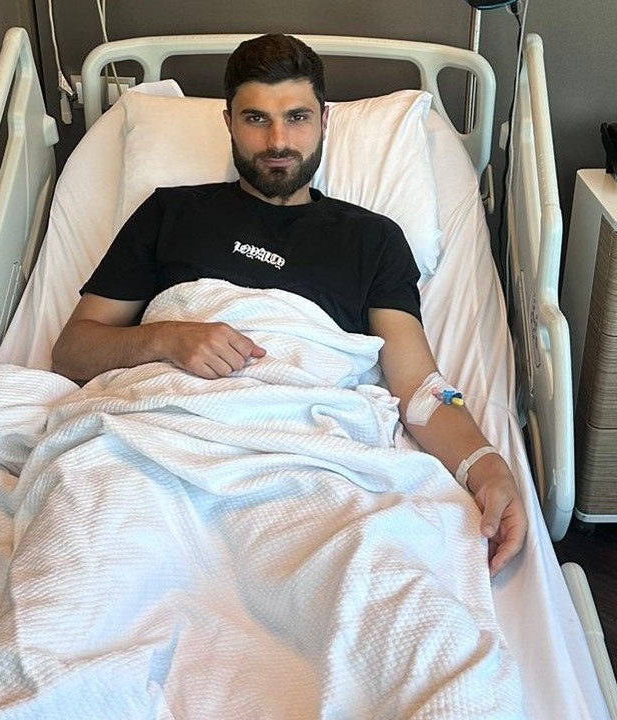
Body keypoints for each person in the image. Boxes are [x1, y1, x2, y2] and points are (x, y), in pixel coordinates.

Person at [52, 33, 527, 576]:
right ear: (228, 123)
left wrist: (486, 466)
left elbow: (420, 388)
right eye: (256, 119)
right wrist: (166, 338)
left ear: (323, 121)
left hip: (303, 461)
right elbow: (71, 351)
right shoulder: (169, 214)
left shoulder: (373, 239)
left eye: (297, 118)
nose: (278, 141)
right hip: (157, 445)